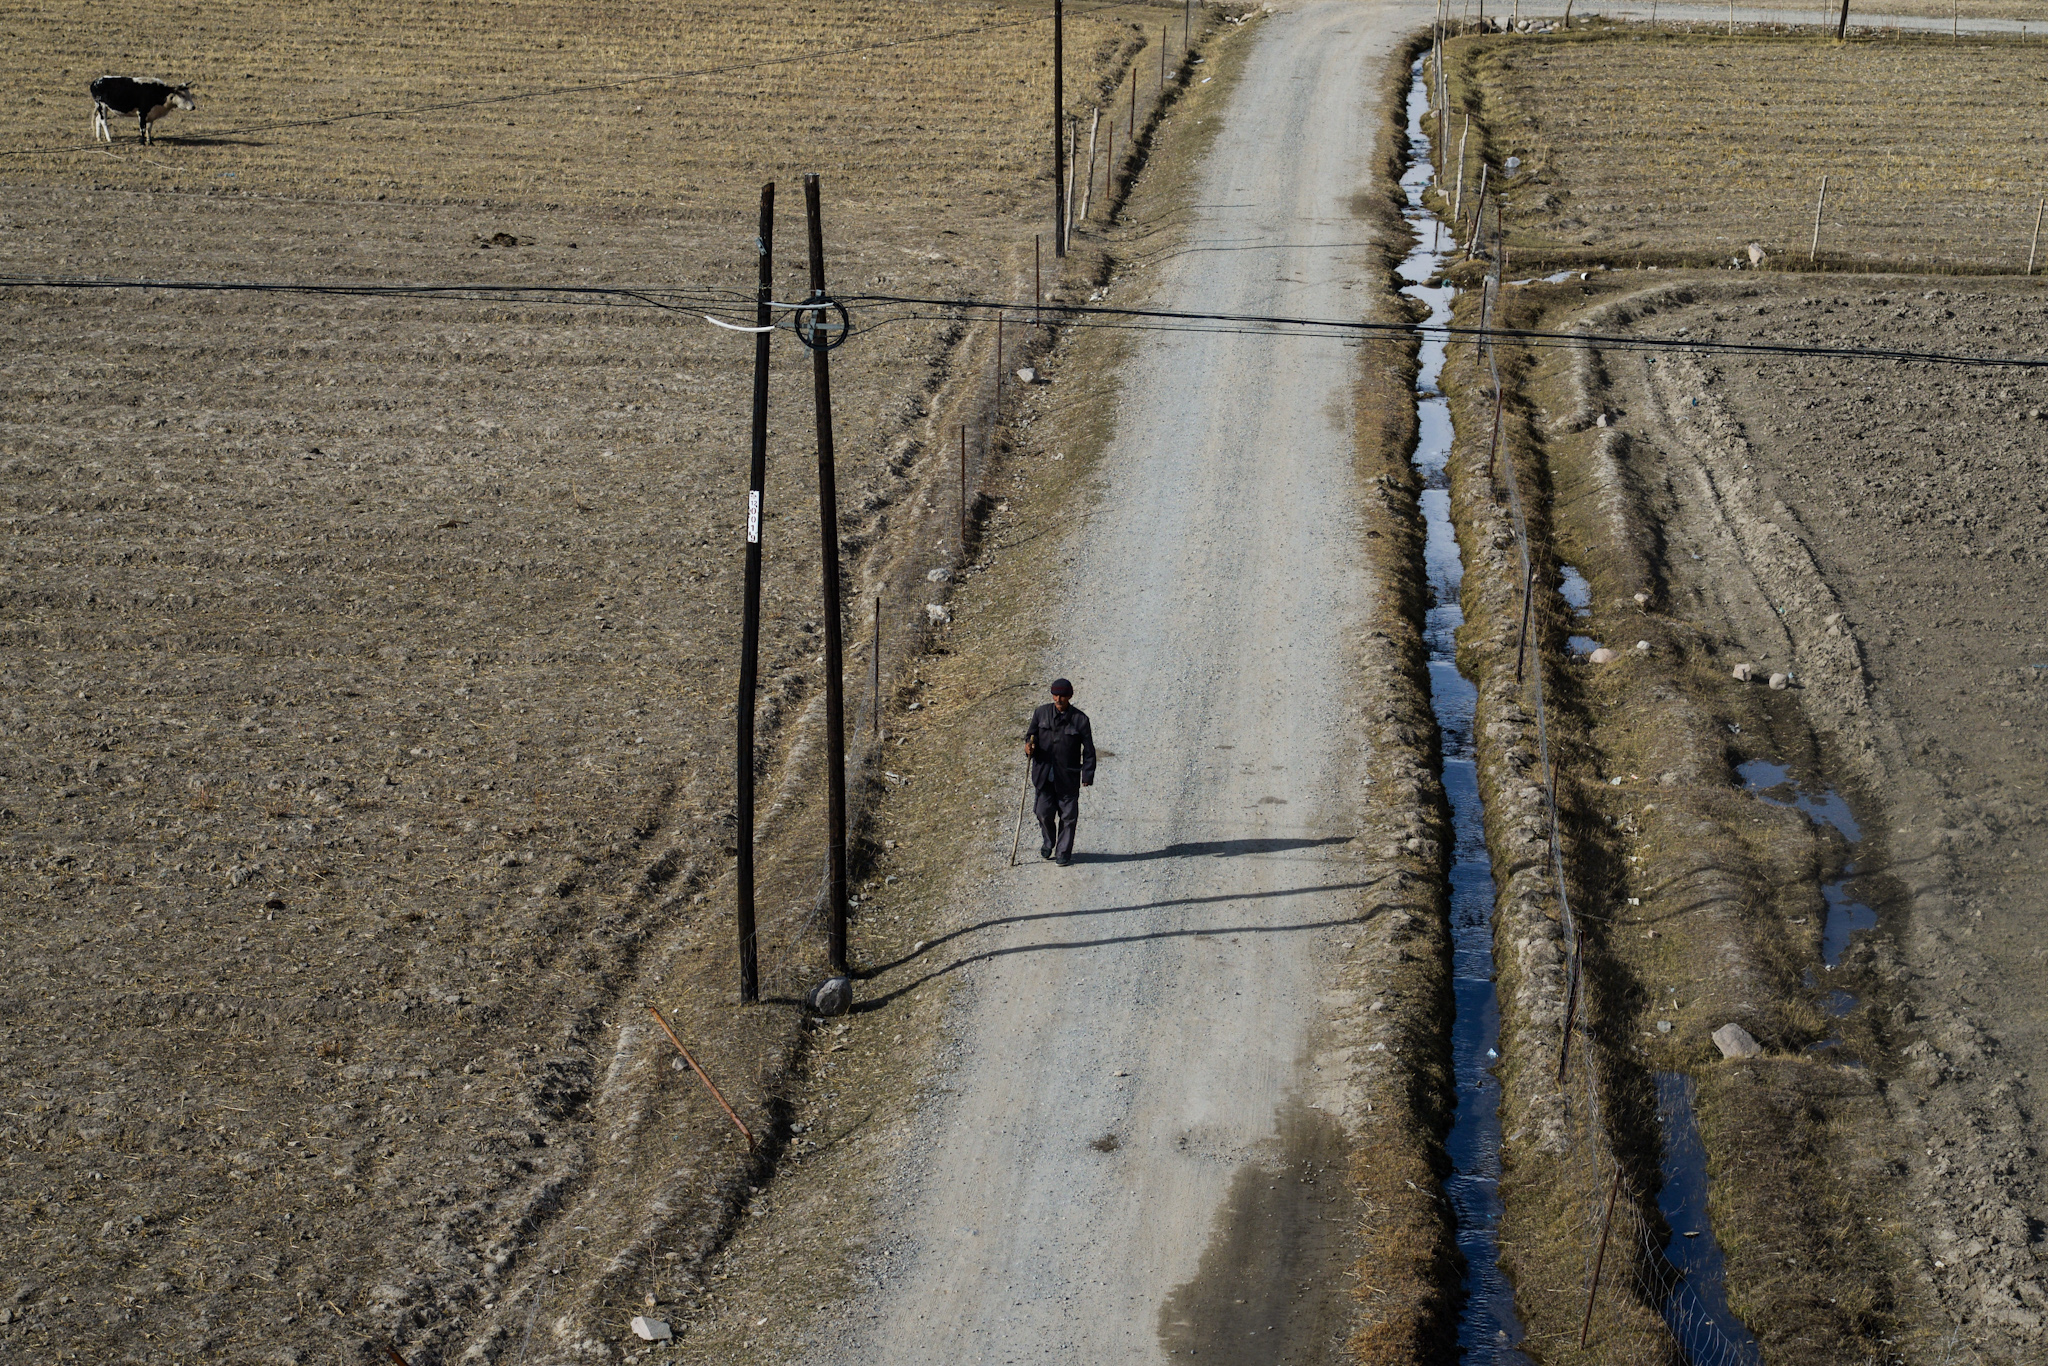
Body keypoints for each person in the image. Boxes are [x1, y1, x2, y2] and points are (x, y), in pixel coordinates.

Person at [1023, 678, 1095, 866]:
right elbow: (1030, 736)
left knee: (1068, 817)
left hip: (1067, 777)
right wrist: (1028, 747)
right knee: (1042, 812)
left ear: (1070, 696)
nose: (1058, 699)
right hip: (1043, 775)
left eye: (1062, 695)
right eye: (1055, 694)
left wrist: (1087, 774)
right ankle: (1049, 841)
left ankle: (1063, 852)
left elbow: (1088, 750)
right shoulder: (1041, 714)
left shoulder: (1080, 720)